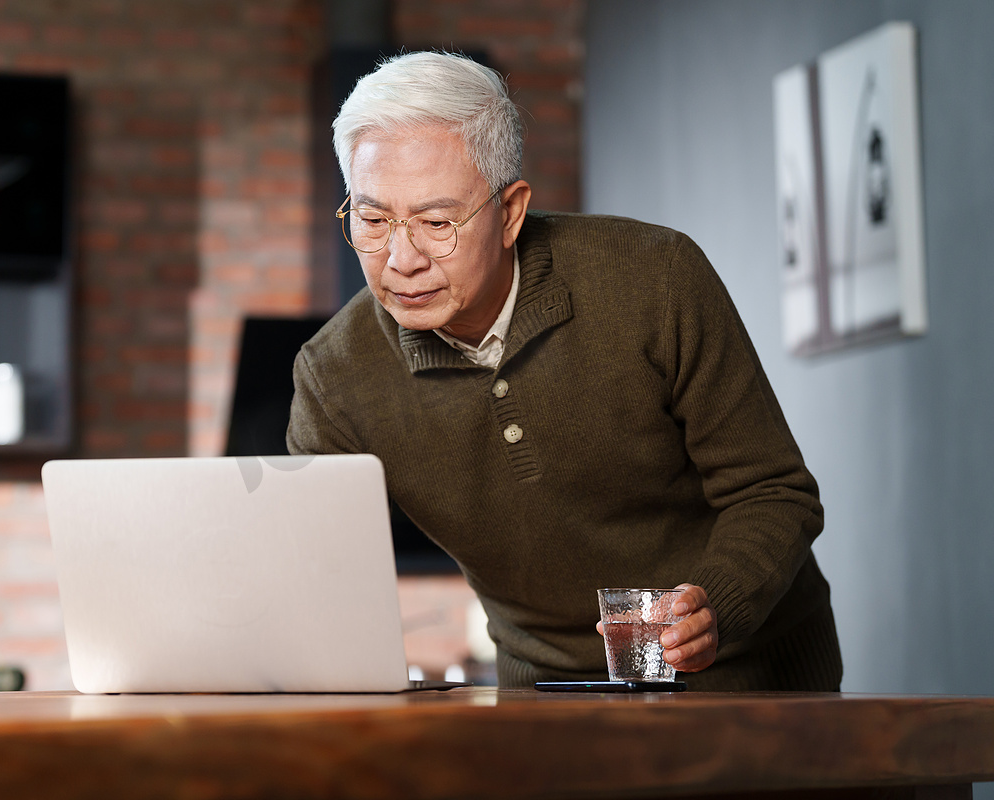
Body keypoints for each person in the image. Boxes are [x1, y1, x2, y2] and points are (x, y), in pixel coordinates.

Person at [287, 51, 842, 690]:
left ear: (511, 212)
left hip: (749, 669)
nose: (400, 259)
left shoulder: (654, 277)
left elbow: (773, 491)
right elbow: (316, 575)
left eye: (438, 223)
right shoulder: (332, 376)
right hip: (542, 689)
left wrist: (715, 604)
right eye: (374, 219)